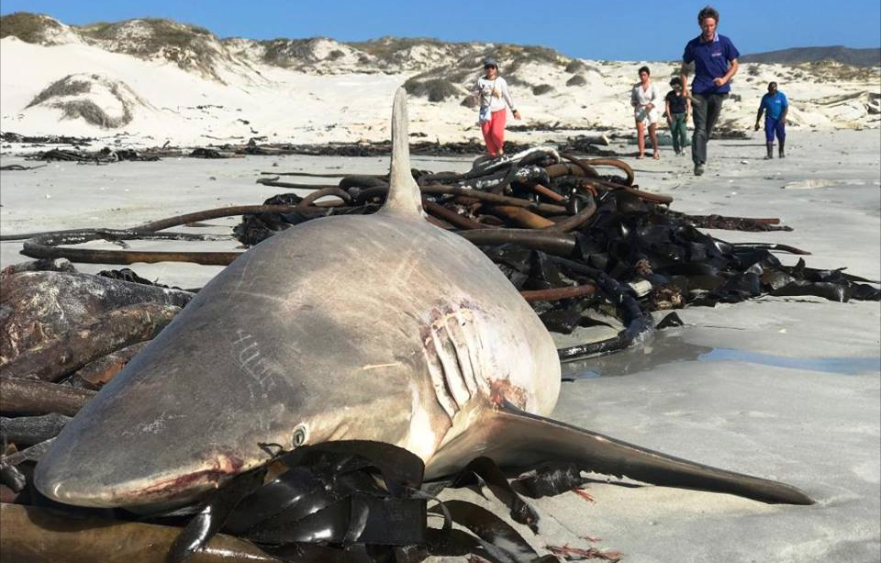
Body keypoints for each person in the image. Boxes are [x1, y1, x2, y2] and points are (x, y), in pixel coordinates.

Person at [680, 5, 740, 176]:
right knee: (699, 128)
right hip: (699, 90)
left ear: (716, 25)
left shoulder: (725, 42)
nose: (709, 29)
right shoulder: (693, 45)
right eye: (706, 25)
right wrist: (684, 88)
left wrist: (724, 79)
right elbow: (684, 68)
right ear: (700, 25)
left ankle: (699, 151)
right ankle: (699, 162)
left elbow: (735, 65)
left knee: (708, 129)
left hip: (719, 90)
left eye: (712, 25)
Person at [472, 57, 521, 158]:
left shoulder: (501, 81)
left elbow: (507, 96)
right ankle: (494, 155)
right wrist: (484, 93)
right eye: (487, 67)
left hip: (499, 111)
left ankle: (500, 149)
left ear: (496, 68)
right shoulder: (480, 81)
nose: (490, 69)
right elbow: (475, 94)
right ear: (485, 69)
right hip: (485, 111)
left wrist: (514, 110)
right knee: (487, 135)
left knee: (496, 133)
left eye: (492, 67)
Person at [631, 66, 662, 160]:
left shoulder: (653, 86)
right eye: (641, 75)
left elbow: (658, 98)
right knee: (640, 132)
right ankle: (641, 153)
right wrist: (634, 102)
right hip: (640, 110)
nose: (642, 77)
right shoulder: (636, 87)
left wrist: (652, 104)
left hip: (651, 111)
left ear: (648, 75)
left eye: (644, 75)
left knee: (651, 132)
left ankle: (655, 151)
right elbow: (633, 99)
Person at [755, 81, 789, 159]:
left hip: (779, 119)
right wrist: (757, 122)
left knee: (781, 136)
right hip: (769, 118)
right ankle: (769, 154)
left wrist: (783, 117)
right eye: (769, 89)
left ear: (776, 89)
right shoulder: (765, 97)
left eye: (772, 90)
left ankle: (781, 151)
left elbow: (785, 108)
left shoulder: (781, 96)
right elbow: (761, 110)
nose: (771, 91)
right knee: (769, 135)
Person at [665, 77, 691, 156]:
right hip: (672, 115)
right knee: (674, 133)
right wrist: (669, 116)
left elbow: (688, 105)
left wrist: (688, 115)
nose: (675, 87)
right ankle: (676, 150)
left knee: (683, 132)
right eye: (673, 86)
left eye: (676, 85)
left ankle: (683, 148)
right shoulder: (670, 94)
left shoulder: (685, 93)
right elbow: (667, 106)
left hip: (682, 114)